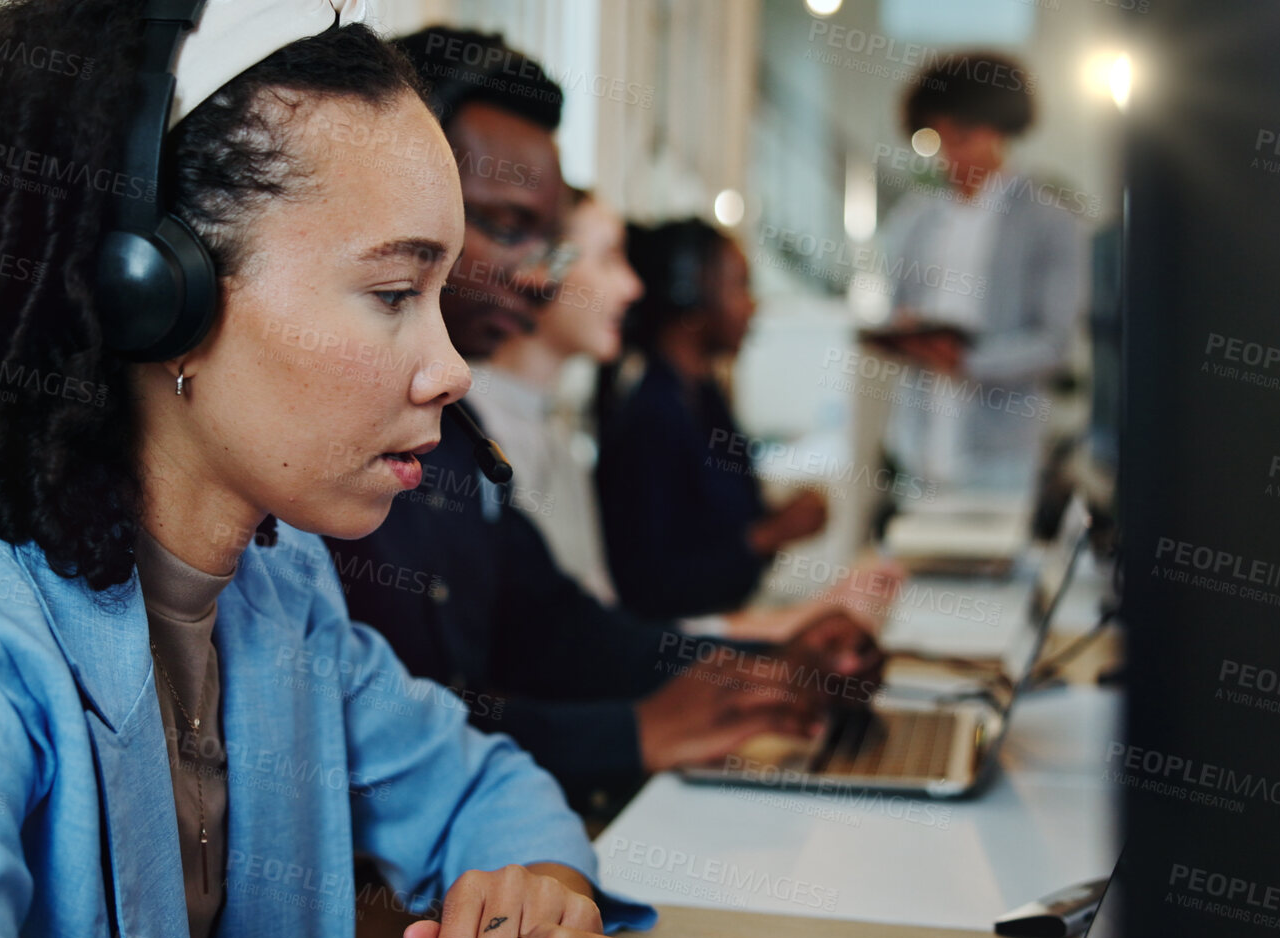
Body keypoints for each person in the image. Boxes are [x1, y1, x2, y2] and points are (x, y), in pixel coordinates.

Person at [0, 5, 758, 938]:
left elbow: (483, 784)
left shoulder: (276, 601)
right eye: (391, 295)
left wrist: (539, 893)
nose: (449, 367)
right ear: (155, 291)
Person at [327, 28, 882, 820]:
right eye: (506, 226)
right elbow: (373, 744)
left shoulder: (454, 435)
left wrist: (753, 666)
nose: (535, 278)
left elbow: (558, 629)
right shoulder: (315, 456)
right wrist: (632, 734)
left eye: (550, 244)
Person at [866, 51, 1088, 491]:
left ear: (999, 132)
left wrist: (968, 362)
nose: (949, 155)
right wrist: (906, 334)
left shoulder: (1049, 222)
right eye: (938, 140)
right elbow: (899, 309)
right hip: (918, 450)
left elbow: (1054, 343)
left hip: (1001, 458)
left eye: (962, 137)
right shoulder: (915, 221)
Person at [596, 219, 830, 622]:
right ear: (691, 294)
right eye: (740, 286)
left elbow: (719, 526)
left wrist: (776, 521)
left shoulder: (703, 397)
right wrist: (770, 535)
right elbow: (650, 583)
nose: (752, 305)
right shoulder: (652, 416)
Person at [462, 186, 638, 604]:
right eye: (608, 257)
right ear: (543, 267)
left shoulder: (553, 428)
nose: (631, 286)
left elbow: (595, 613)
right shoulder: (472, 430)